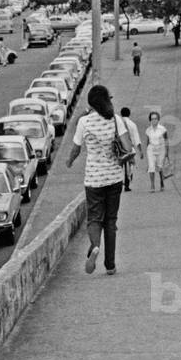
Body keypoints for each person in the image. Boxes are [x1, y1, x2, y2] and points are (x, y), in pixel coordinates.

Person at [65, 85, 133, 276]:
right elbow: (127, 146)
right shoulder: (116, 120)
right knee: (111, 221)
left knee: (94, 218)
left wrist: (69, 161)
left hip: (94, 179)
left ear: (91, 103)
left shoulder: (84, 122)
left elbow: (76, 148)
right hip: (114, 178)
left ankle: (95, 246)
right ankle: (110, 265)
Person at [119, 107, 144, 192]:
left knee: (119, 166)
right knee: (129, 166)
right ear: (129, 114)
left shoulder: (118, 123)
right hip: (129, 148)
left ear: (121, 114)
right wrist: (140, 151)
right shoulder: (132, 124)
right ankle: (127, 184)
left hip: (120, 148)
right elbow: (137, 140)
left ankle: (118, 183)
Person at [144, 111, 170, 191]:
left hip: (161, 148)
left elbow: (166, 140)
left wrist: (167, 152)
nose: (154, 121)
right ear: (150, 120)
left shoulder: (162, 129)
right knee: (151, 167)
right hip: (151, 148)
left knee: (160, 166)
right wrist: (147, 152)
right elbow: (147, 141)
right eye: (152, 119)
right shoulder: (148, 130)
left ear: (158, 119)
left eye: (155, 119)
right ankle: (152, 185)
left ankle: (162, 182)